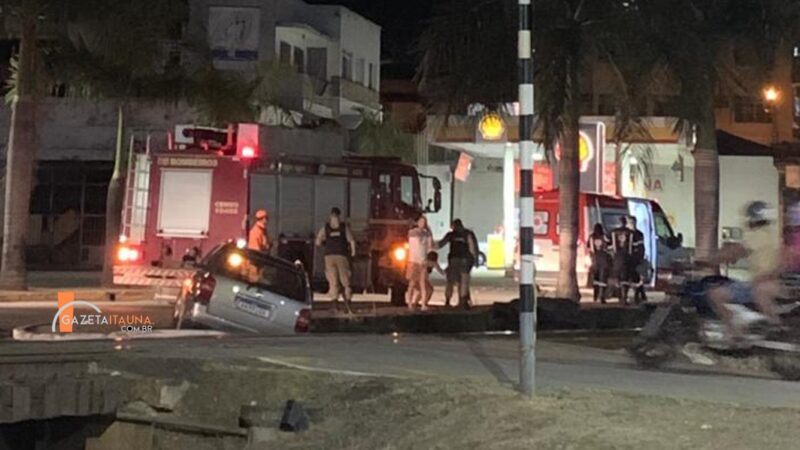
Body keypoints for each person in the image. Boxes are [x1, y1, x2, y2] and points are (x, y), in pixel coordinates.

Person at [709, 201, 785, 339]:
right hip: (766, 282)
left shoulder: (757, 235)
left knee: (716, 294)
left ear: (752, 218)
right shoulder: (772, 234)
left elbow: (737, 251)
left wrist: (709, 259)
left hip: (759, 283)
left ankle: (735, 333)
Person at [315, 207, 356, 314]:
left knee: (333, 280)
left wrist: (326, 245)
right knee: (345, 280)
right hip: (342, 256)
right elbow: (351, 241)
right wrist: (353, 252)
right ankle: (348, 304)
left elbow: (318, 242)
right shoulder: (343, 227)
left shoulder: (326, 228)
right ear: (339, 216)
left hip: (329, 256)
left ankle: (334, 305)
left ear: (330, 216)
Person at [438, 219, 478, 308]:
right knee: (464, 281)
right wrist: (474, 259)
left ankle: (447, 301)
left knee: (450, 281)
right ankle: (462, 302)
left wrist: (428, 243)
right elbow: (472, 246)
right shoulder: (468, 233)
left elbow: (440, 244)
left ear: (453, 226)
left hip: (454, 259)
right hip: (465, 259)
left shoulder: (451, 235)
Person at [406, 215, 435, 310]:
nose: (422, 224)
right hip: (413, 261)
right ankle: (410, 303)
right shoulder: (413, 232)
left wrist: (429, 233)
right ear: (418, 222)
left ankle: (423, 305)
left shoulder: (427, 234)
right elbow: (412, 234)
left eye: (424, 222)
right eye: (421, 222)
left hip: (423, 262)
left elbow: (431, 245)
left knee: (423, 283)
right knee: (412, 283)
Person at [610, 216, 634, 305]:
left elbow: (607, 244)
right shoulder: (631, 233)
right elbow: (634, 246)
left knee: (618, 278)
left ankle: (619, 297)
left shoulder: (613, 232)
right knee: (625, 279)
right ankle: (624, 297)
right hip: (627, 257)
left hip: (616, 258)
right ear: (625, 223)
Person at [587, 223, 611, 304]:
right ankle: (601, 297)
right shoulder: (604, 236)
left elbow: (588, 247)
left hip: (594, 260)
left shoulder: (591, 237)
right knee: (603, 280)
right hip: (603, 260)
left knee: (596, 279)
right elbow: (609, 246)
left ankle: (595, 296)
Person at [628, 216, 648, 304]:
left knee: (636, 277)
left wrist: (641, 257)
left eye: (633, 223)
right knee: (634, 278)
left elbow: (641, 247)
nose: (632, 225)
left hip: (636, 258)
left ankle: (638, 295)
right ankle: (642, 294)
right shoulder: (627, 233)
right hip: (629, 258)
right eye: (630, 223)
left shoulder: (639, 234)